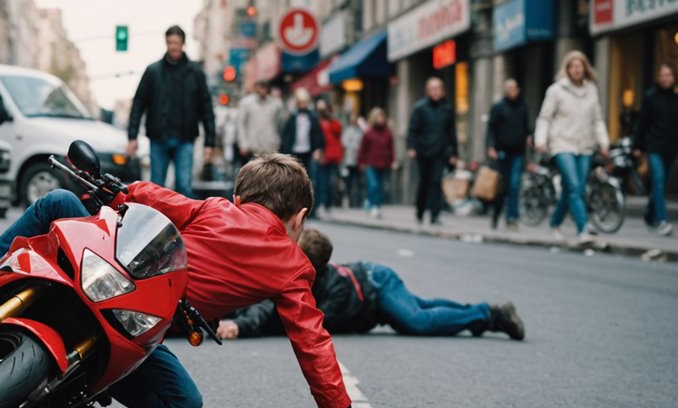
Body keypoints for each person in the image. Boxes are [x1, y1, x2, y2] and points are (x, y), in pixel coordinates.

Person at [0, 154, 401, 408]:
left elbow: (154, 197)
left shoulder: (213, 209)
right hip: (139, 325)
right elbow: (313, 342)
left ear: (240, 196)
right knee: (181, 407)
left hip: (128, 323)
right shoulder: (295, 267)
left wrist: (114, 188)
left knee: (57, 204)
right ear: (300, 216)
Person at [217, 228, 525, 341]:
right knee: (424, 308)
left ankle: (489, 316)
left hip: (377, 285)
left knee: (417, 321)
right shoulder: (304, 276)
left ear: (312, 267)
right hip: (372, 285)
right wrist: (241, 322)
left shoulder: (332, 292)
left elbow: (300, 320)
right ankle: (488, 313)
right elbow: (269, 302)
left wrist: (244, 326)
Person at [127, 25, 216, 199]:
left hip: (185, 139)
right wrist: (132, 137)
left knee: (184, 187)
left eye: (176, 42)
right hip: (159, 138)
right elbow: (138, 103)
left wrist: (209, 143)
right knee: (156, 189)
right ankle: (155, 225)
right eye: (170, 42)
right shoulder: (153, 71)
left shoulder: (195, 72)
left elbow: (206, 107)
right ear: (166, 43)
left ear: (183, 44)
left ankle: (183, 226)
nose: (173, 46)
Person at [534, 50, 609, 243]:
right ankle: (583, 228)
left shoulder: (591, 90)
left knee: (574, 189)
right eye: (573, 66)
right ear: (567, 69)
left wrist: (604, 142)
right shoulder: (556, 90)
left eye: (580, 66)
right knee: (575, 186)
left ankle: (554, 224)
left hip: (584, 145)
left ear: (585, 68)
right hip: (562, 144)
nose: (577, 69)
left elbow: (597, 119)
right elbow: (545, 117)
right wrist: (540, 140)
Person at [633, 62, 677, 236]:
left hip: (672, 148)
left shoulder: (676, 97)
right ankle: (662, 220)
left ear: (673, 77)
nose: (666, 78)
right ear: (658, 77)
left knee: (661, 185)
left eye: (669, 75)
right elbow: (642, 122)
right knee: (658, 180)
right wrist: (637, 146)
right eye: (663, 75)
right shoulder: (650, 96)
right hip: (654, 146)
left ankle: (649, 214)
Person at [407, 77, 458, 225]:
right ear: (428, 91)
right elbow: (413, 129)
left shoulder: (447, 109)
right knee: (424, 182)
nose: (436, 92)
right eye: (433, 89)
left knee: (436, 182)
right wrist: (411, 147)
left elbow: (451, 132)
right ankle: (420, 211)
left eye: (438, 88)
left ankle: (435, 215)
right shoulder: (420, 108)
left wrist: (454, 152)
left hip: (440, 151)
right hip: (423, 151)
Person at [486, 78, 531, 230]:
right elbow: (491, 128)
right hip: (502, 152)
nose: (511, 91)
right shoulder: (498, 107)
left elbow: (526, 127)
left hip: (518, 152)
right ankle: (496, 214)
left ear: (518, 89)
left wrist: (529, 138)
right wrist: (491, 146)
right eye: (508, 88)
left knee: (514, 185)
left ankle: (512, 217)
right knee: (502, 186)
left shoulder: (522, 107)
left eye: (514, 88)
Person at [279, 88, 324, 199]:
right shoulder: (292, 117)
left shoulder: (312, 117)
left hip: (309, 152)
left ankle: (311, 206)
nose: (303, 105)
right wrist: (285, 152)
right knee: (293, 180)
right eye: (301, 102)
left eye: (305, 102)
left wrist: (318, 149)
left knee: (310, 180)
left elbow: (318, 134)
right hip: (294, 152)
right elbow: (286, 135)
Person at [357, 107, 396, 219]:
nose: (381, 119)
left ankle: (377, 205)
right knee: (373, 185)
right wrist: (361, 162)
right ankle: (372, 204)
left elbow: (391, 148)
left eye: (382, 116)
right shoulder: (368, 133)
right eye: (378, 117)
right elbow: (362, 149)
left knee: (380, 186)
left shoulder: (388, 133)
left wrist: (393, 161)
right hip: (370, 163)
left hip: (383, 163)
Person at [236, 80, 283, 166]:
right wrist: (243, 143)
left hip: (270, 147)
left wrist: (278, 142)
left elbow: (280, 124)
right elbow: (241, 124)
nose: (262, 90)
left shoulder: (276, 104)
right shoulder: (246, 103)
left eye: (264, 87)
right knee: (253, 174)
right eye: (260, 87)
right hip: (253, 147)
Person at [313, 99, 343, 219]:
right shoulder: (317, 122)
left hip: (333, 156)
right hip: (322, 155)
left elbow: (338, 133)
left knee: (331, 182)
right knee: (321, 182)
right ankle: (321, 205)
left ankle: (328, 204)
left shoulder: (334, 123)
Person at [341, 113, 364, 208]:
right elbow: (344, 142)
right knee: (349, 182)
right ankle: (350, 200)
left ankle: (357, 201)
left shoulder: (361, 131)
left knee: (358, 181)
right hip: (349, 160)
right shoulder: (347, 130)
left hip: (358, 160)